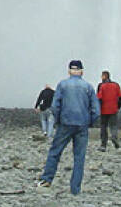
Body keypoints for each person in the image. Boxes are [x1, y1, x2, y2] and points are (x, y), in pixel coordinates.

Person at [36, 60, 99, 195]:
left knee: (55, 151)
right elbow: (96, 110)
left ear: (69, 71)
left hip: (65, 123)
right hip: (82, 124)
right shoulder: (88, 87)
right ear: (81, 71)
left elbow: (55, 106)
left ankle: (47, 179)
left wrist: (58, 120)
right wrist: (90, 122)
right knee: (79, 157)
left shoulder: (62, 85)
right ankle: (75, 189)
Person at [96, 71, 121, 150]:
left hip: (104, 109)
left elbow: (99, 98)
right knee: (113, 126)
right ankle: (114, 138)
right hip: (113, 109)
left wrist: (99, 108)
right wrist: (118, 106)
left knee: (103, 126)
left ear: (104, 76)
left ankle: (103, 144)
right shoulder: (116, 85)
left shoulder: (101, 86)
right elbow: (120, 97)